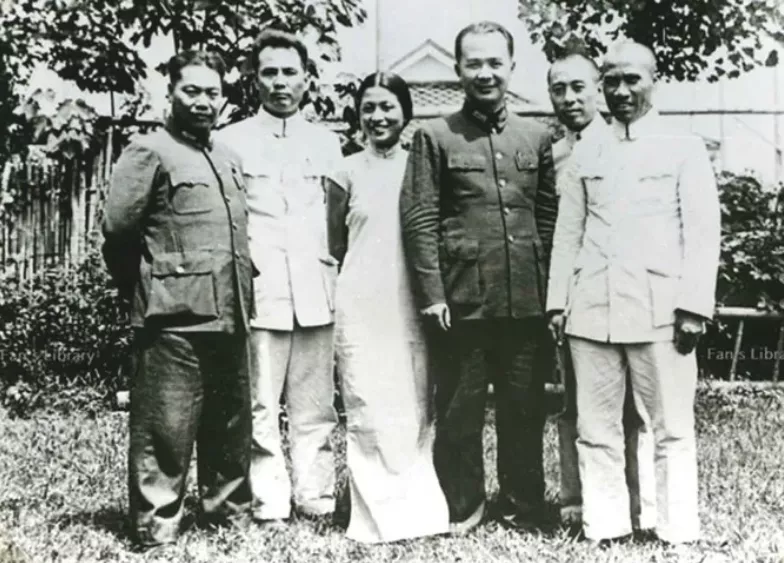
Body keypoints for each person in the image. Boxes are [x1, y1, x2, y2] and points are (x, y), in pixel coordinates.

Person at [547, 40, 720, 545]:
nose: (621, 91)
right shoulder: (588, 149)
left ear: (653, 80)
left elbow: (702, 231)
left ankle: (675, 528)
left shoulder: (682, 146)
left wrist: (693, 307)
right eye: (612, 81)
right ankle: (605, 526)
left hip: (659, 310)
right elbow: (568, 232)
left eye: (632, 80)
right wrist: (558, 302)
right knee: (595, 426)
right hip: (591, 310)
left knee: (671, 426)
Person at [400, 21, 558, 533]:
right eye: (474, 63)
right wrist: (433, 294)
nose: (485, 73)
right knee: (459, 412)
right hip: (462, 301)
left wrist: (551, 293)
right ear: (458, 70)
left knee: (524, 408)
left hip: (525, 300)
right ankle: (463, 506)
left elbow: (548, 217)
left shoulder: (536, 136)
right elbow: (420, 218)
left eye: (495, 62)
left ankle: (522, 507)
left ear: (511, 67)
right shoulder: (435, 136)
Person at [102, 50, 254, 547]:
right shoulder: (149, 150)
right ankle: (157, 524)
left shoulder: (227, 157)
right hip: (172, 317)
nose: (203, 102)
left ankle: (228, 515)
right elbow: (119, 233)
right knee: (164, 426)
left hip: (230, 308)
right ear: (169, 93)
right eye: (192, 91)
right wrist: (150, 288)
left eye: (213, 92)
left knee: (230, 423)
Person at [215, 29, 342, 525]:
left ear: (307, 79)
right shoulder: (230, 141)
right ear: (254, 79)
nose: (280, 82)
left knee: (316, 405)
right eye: (269, 72)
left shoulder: (326, 142)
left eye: (290, 72)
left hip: (315, 289)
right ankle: (269, 499)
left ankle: (316, 495)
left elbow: (338, 217)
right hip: (262, 290)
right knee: (261, 404)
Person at [325, 72, 450, 543]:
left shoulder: (423, 167)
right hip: (362, 302)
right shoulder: (343, 172)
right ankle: (374, 516)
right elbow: (335, 245)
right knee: (367, 403)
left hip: (412, 302)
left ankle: (418, 510)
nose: (378, 117)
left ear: (405, 113)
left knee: (414, 403)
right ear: (358, 116)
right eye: (369, 108)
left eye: (387, 107)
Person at [547, 47, 656, 533]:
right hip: (580, 297)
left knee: (638, 407)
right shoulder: (553, 152)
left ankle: (642, 506)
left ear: (599, 89)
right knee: (579, 404)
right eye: (558, 89)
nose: (570, 99)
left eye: (580, 87)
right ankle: (580, 503)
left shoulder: (629, 144)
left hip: (634, 294)